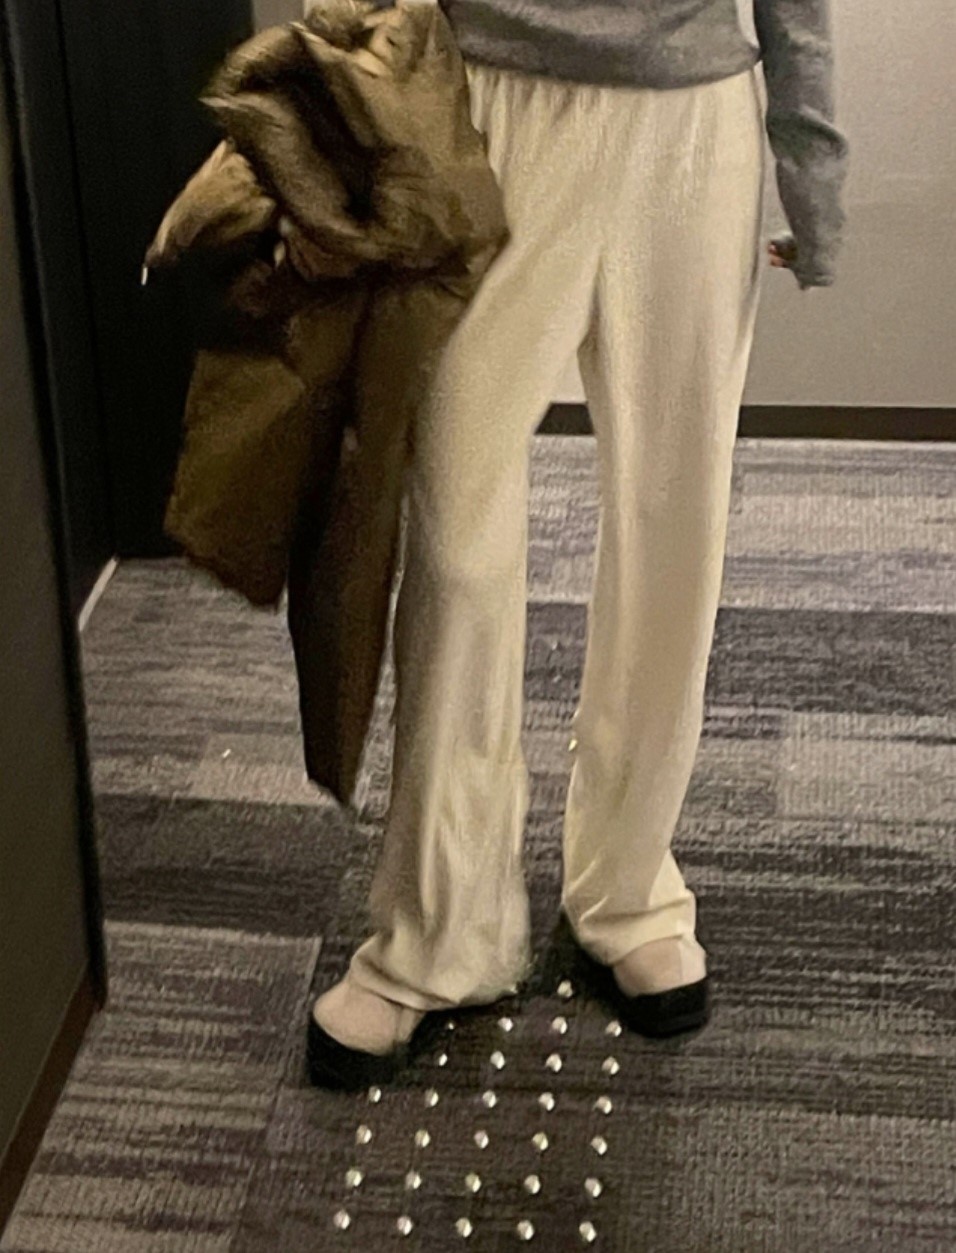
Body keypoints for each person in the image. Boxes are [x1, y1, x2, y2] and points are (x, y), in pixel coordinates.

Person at [307, 0, 849, 1088]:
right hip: (490, 103)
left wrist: (813, 169)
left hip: (691, 126)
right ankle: (438, 923)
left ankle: (629, 885)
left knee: (671, 525)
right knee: (452, 540)